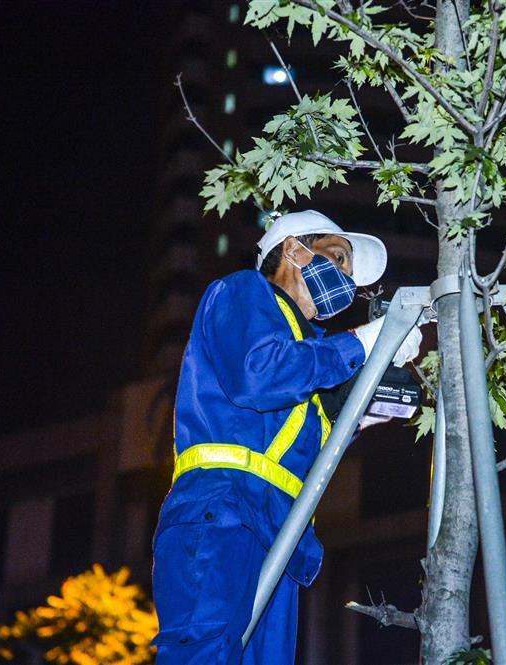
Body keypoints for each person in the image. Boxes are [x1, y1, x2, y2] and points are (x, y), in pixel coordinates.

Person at [151, 210, 421, 664]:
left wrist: (356, 417)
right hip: (221, 514)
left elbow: (296, 441)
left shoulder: (306, 356)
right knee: (204, 654)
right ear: (295, 250)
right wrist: (361, 342)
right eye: (336, 257)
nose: (345, 280)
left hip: (279, 532)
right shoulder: (244, 292)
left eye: (348, 273)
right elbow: (257, 376)